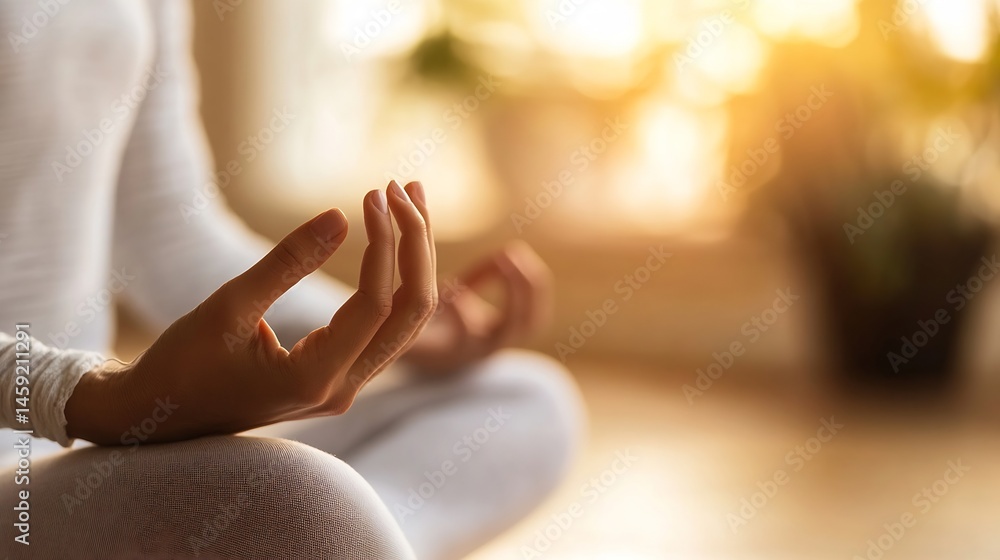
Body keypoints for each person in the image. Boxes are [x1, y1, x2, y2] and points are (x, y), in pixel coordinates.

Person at [0, 1, 585, 558]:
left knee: (522, 398)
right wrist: (89, 398)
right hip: (37, 456)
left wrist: (375, 328)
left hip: (74, 448)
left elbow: (168, 235)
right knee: (296, 500)